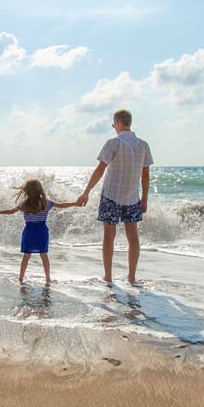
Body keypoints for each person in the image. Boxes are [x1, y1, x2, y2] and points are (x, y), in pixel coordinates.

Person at [76, 109, 153, 284]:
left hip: (111, 196)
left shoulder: (113, 143)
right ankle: (131, 278)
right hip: (133, 198)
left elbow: (100, 170)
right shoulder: (143, 145)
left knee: (108, 236)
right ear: (130, 123)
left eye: (113, 125)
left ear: (117, 123)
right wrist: (145, 199)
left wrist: (86, 192)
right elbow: (146, 176)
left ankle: (108, 277)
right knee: (133, 237)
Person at [0, 178, 78, 283]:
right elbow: (62, 205)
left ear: (26, 191)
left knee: (26, 255)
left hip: (29, 231)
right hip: (41, 231)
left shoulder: (24, 204)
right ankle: (48, 278)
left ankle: (21, 278)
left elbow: (11, 211)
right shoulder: (46, 203)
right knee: (44, 255)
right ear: (40, 190)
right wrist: (75, 203)